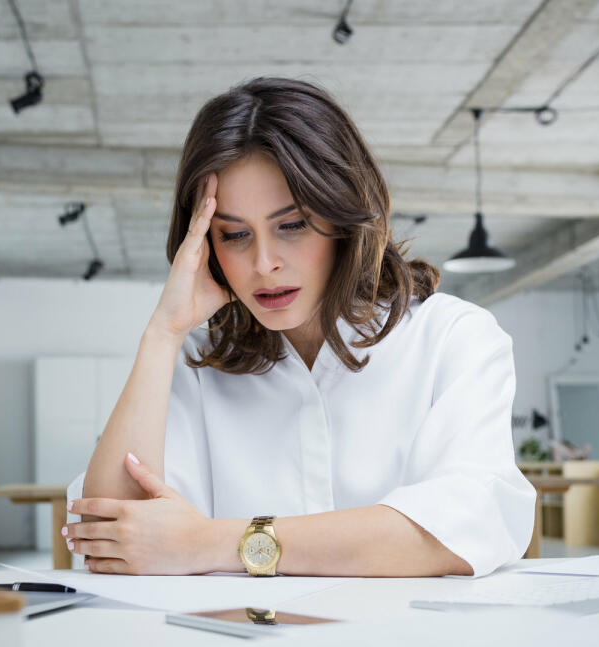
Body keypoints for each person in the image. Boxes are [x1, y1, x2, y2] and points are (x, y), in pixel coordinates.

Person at [64, 77, 534, 578]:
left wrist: (210, 542)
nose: (264, 263)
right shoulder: (197, 362)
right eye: (235, 234)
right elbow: (111, 538)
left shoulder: (453, 338)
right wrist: (164, 330)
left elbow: (462, 528)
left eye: (292, 225)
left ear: (343, 217)